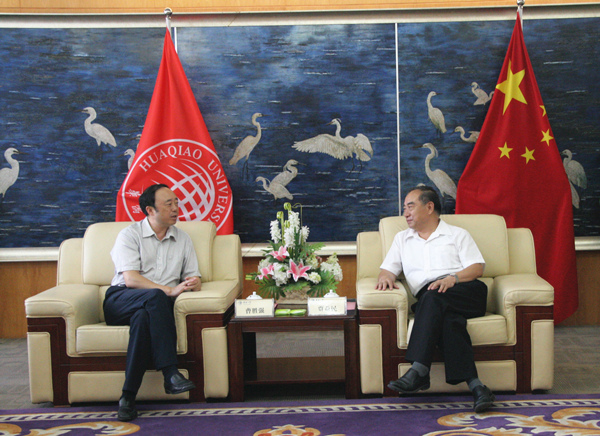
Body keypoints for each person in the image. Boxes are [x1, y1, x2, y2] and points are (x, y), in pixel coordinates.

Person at [376, 186, 495, 413]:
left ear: (429, 207)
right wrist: (385, 277)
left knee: (432, 299)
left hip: (465, 291)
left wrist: (452, 278)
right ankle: (478, 387)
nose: (405, 213)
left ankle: (419, 370)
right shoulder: (402, 239)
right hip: (432, 298)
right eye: (404, 208)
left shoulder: (457, 234)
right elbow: (387, 270)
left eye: (410, 207)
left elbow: (477, 268)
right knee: (449, 321)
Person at [104, 184, 202, 422]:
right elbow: (131, 279)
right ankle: (170, 372)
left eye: (176, 202)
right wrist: (169, 290)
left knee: (142, 320)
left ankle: (127, 398)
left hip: (153, 309)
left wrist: (193, 283)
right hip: (121, 299)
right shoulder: (129, 235)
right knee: (156, 297)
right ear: (150, 210)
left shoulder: (182, 238)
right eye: (168, 204)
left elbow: (194, 276)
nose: (176, 208)